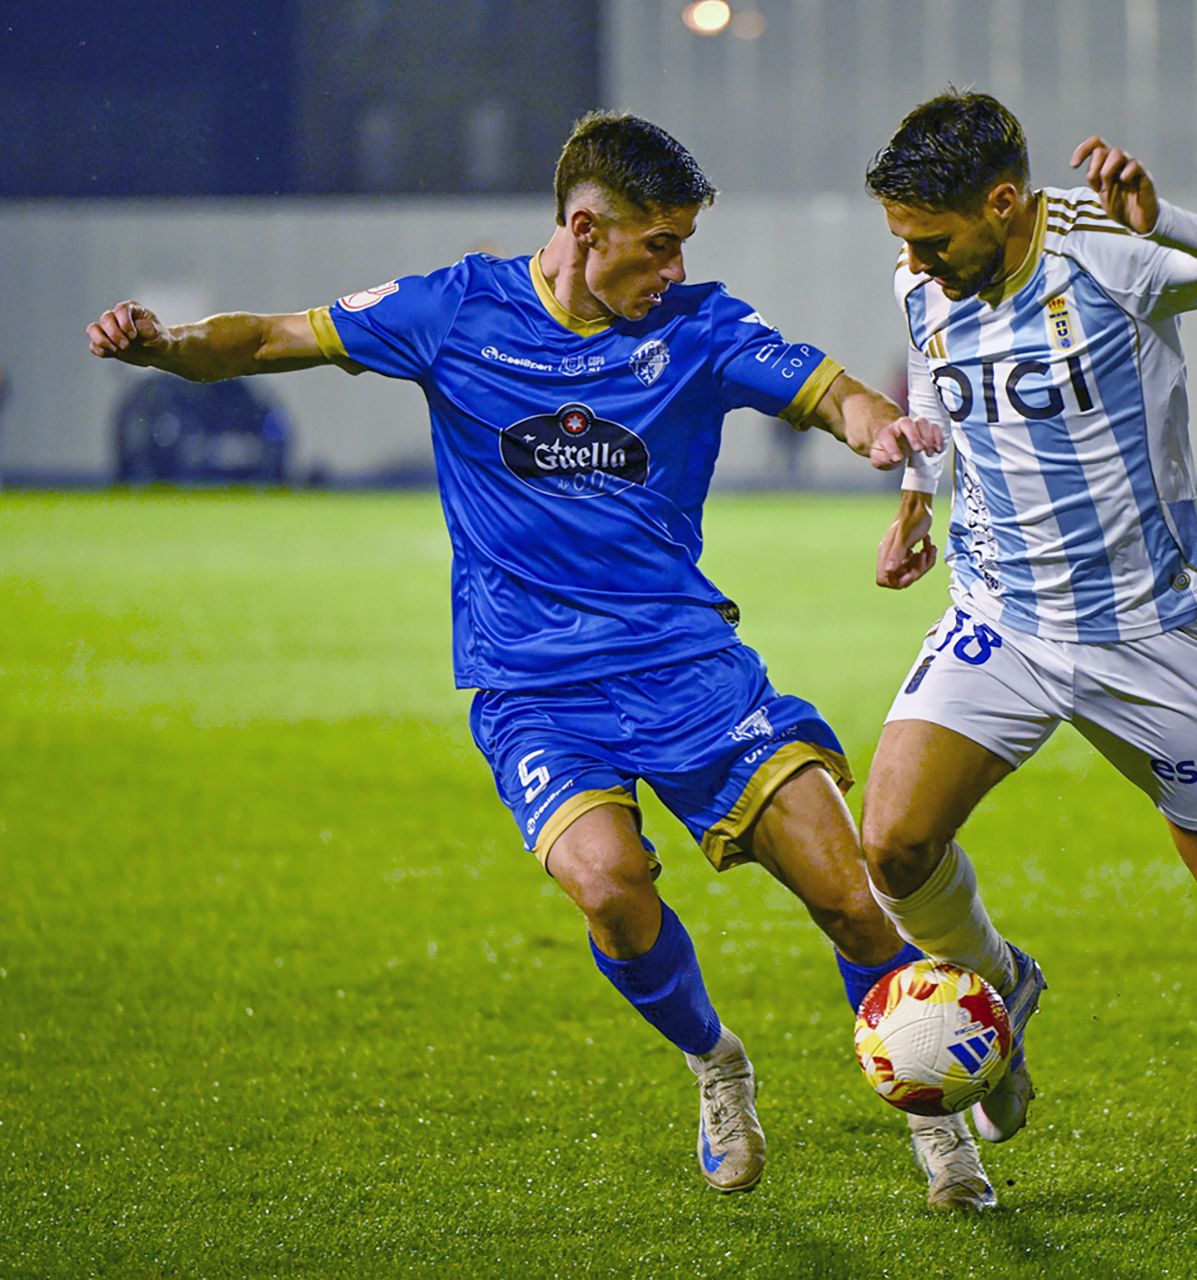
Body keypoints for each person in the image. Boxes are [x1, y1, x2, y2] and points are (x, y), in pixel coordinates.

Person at [86, 110, 999, 1212]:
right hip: (534, 689)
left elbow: (830, 389)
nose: (677, 269)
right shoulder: (454, 309)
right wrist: (164, 344)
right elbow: (273, 337)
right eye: (658, 245)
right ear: (584, 227)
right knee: (610, 889)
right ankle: (717, 1062)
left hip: (690, 669)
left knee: (851, 897)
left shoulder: (699, 327)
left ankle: (938, 1120)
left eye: (684, 246)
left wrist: (880, 429)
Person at [858, 91, 1197, 1204]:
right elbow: (938, 386)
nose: (913, 261)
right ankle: (1000, 989)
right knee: (894, 842)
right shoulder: (924, 276)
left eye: (930, 238)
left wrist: (1164, 217)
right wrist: (915, 494)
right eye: (902, 239)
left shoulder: (1115, 255)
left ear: (1004, 202)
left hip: (1146, 631)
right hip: (1000, 616)